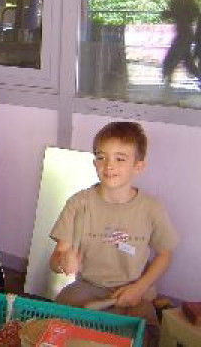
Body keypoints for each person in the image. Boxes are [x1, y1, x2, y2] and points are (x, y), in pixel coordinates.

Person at [49, 121, 178, 345]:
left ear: (138, 166)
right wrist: (63, 261)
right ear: (94, 163)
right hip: (86, 288)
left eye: (120, 158)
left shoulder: (151, 209)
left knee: (144, 336)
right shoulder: (78, 203)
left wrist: (139, 288)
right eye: (101, 157)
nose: (109, 165)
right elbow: (55, 261)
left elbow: (165, 254)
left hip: (133, 290)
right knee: (55, 327)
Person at [162, 0, 200, 85]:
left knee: (172, 58)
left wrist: (181, 18)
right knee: (187, 62)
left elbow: (191, 11)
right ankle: (167, 75)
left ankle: (167, 74)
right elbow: (190, 11)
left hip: (184, 33)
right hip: (184, 32)